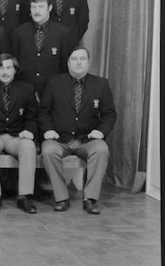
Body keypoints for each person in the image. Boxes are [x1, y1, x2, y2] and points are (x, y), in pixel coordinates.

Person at [39, 47, 117, 214]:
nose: (79, 62)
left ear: (88, 62)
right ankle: (61, 197)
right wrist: (48, 130)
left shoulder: (101, 84)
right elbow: (43, 111)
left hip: (87, 140)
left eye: (82, 59)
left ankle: (90, 199)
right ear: (68, 63)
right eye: (74, 59)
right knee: (48, 151)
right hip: (59, 139)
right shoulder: (54, 82)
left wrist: (101, 132)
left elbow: (109, 114)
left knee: (102, 149)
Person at [0, 54, 39, 214]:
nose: (4, 72)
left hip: (16, 137)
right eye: (0, 68)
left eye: (8, 67)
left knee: (28, 146)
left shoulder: (27, 89)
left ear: (15, 70)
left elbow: (33, 117)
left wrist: (29, 131)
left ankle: (24, 197)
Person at [10, 0, 74, 99]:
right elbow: (15, 65)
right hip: (24, 92)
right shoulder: (19, 32)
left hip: (54, 92)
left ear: (49, 8)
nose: (36, 11)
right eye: (33, 7)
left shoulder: (63, 33)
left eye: (41, 7)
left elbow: (65, 67)